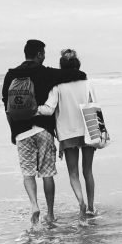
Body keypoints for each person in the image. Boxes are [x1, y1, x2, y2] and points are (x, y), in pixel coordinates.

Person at [2, 40, 86, 225]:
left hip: (21, 132)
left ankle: (34, 205)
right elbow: (75, 74)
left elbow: (7, 107)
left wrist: (12, 132)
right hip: (44, 130)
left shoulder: (10, 75)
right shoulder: (46, 73)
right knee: (47, 174)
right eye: (43, 53)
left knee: (28, 173)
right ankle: (50, 213)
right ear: (39, 54)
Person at [36, 49, 97, 220]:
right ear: (78, 65)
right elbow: (94, 107)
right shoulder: (88, 84)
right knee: (88, 171)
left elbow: (48, 110)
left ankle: (81, 202)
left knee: (73, 174)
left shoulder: (58, 87)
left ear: (61, 67)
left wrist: (33, 108)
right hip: (88, 131)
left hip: (67, 134)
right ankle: (91, 207)